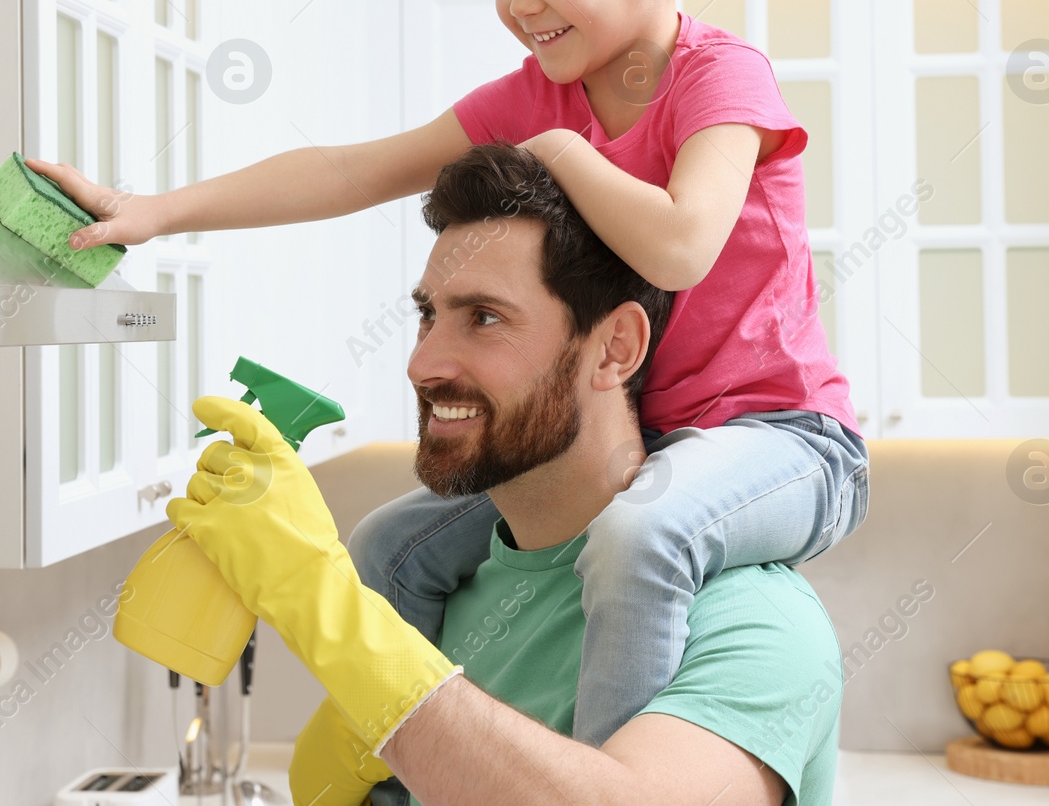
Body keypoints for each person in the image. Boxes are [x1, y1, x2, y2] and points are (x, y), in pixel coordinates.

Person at [28, 0, 867, 759]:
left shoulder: (716, 78)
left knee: (646, 534)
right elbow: (350, 169)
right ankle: (382, 777)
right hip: (650, 440)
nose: (518, 1)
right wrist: (155, 208)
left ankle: (588, 779)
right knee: (388, 545)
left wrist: (560, 149)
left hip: (782, 441)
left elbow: (686, 244)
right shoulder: (535, 88)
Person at [167, 142, 844, 806]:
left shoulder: (753, 627)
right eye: (428, 314)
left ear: (615, 349)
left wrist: (310, 590)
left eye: (484, 317)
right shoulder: (430, 589)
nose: (423, 362)